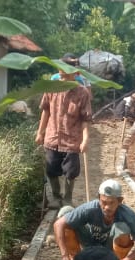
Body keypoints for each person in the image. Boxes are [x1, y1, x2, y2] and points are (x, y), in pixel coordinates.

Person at [54, 179, 135, 260]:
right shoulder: (90, 208)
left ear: (120, 201)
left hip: (110, 250)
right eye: (103, 202)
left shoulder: (128, 216)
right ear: (99, 198)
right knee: (65, 212)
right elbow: (58, 225)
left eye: (112, 203)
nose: (107, 207)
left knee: (122, 228)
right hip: (89, 244)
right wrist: (64, 255)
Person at [36, 57, 93, 209]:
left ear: (75, 73)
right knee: (51, 169)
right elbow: (45, 111)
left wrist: (85, 139)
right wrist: (40, 132)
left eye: (65, 69)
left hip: (72, 139)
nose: (61, 72)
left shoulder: (83, 93)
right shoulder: (51, 88)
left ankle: (67, 198)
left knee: (71, 171)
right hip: (52, 137)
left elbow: (85, 118)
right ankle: (56, 197)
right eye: (59, 68)